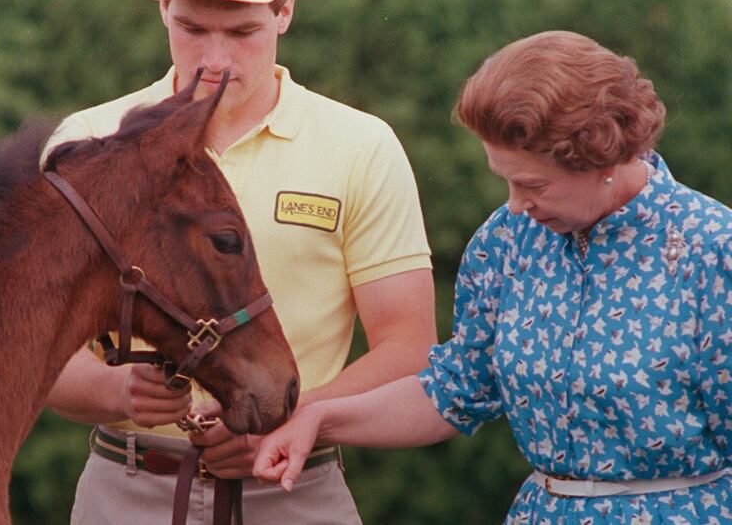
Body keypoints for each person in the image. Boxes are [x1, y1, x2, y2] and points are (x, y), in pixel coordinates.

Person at [253, 30, 732, 523]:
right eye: (505, 179)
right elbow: (454, 392)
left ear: (601, 158)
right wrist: (319, 417)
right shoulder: (506, 239)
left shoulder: (713, 251)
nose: (515, 203)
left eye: (532, 184)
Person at [41, 0, 437, 523]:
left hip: (296, 488)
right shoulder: (88, 141)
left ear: (286, 11)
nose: (216, 59)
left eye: (242, 32)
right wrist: (116, 390)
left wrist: (295, 420)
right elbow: (35, 348)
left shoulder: (362, 146)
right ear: (163, 10)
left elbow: (410, 346)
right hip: (125, 493)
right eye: (193, 29)